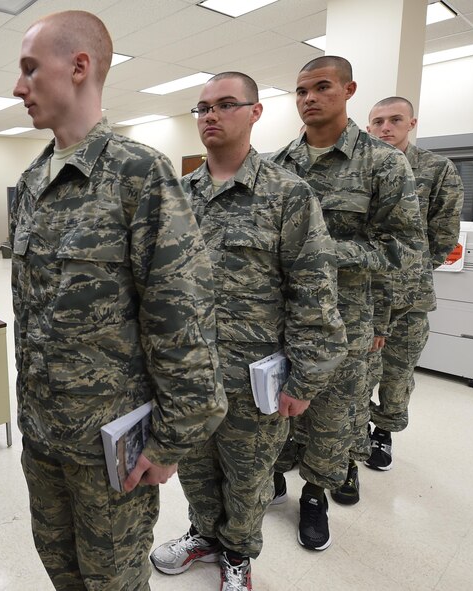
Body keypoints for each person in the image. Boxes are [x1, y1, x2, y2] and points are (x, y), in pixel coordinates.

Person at [10, 10, 227, 590]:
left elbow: (182, 315)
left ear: (79, 67)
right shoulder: (31, 184)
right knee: (61, 569)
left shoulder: (139, 174)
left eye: (31, 69)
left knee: (114, 581)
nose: (18, 86)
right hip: (43, 436)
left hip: (113, 452)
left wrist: (173, 440)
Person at [148, 72, 346, 591]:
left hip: (254, 382)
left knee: (248, 476)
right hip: (188, 379)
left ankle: (237, 553)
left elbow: (314, 292)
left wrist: (305, 380)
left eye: (225, 104)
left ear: (255, 113)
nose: (210, 115)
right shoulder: (175, 197)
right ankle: (203, 535)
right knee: (195, 469)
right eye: (202, 107)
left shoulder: (287, 195)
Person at [269, 56, 423, 548]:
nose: (309, 98)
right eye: (301, 90)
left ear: (348, 90)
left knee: (334, 418)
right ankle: (274, 474)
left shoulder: (383, 163)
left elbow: (406, 248)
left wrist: (324, 252)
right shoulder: (278, 164)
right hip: (282, 318)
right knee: (276, 407)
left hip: (347, 321)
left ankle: (315, 494)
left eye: (321, 87)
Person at [364, 96, 463, 470]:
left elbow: (443, 233)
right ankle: (355, 431)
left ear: (412, 123)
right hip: (364, 292)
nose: (385, 128)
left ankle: (384, 431)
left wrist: (411, 272)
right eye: (377, 122)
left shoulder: (437, 169)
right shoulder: (362, 168)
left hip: (409, 298)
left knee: (397, 372)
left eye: (394, 120)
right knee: (358, 371)